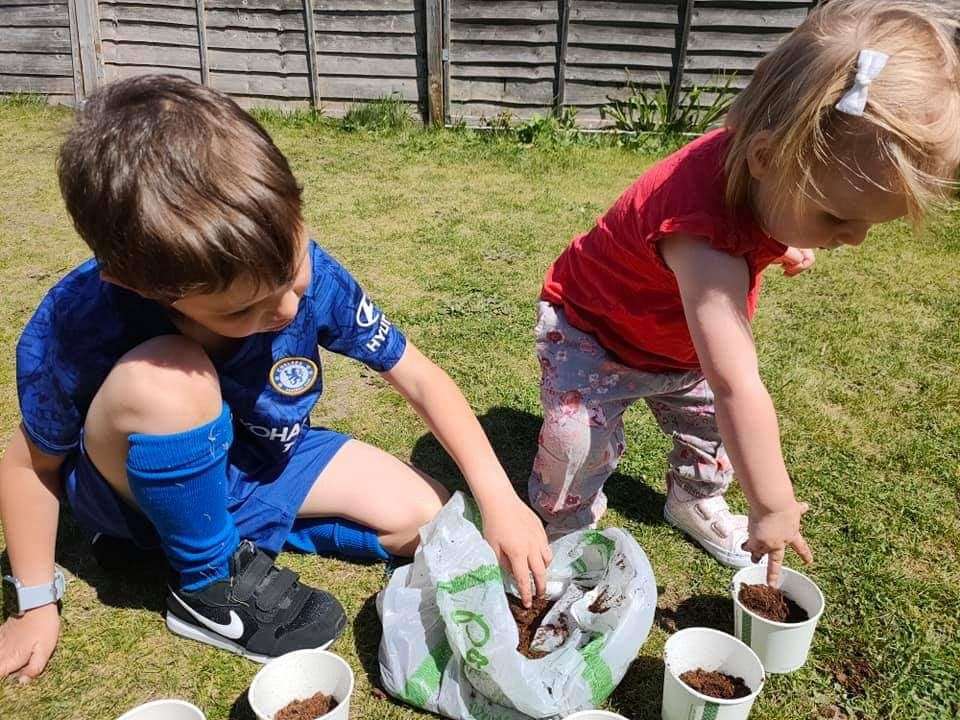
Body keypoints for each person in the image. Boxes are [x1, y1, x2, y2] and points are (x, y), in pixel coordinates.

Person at [0, 74, 550, 683]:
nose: (287, 310)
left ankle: (219, 536)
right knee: (171, 379)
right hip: (130, 489)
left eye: (293, 272)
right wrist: (33, 602)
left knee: (429, 518)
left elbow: (418, 376)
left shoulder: (306, 274)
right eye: (242, 310)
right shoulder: (82, 322)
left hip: (263, 456)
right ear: (141, 287)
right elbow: (31, 465)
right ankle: (205, 585)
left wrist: (500, 499)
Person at [529, 0, 959, 584]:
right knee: (576, 439)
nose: (854, 240)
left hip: (678, 346)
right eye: (836, 217)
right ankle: (565, 524)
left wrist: (783, 240)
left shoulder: (758, 169)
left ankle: (694, 499)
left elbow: (755, 217)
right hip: (593, 333)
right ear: (766, 157)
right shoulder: (700, 237)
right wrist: (774, 503)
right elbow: (736, 383)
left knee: (709, 430)